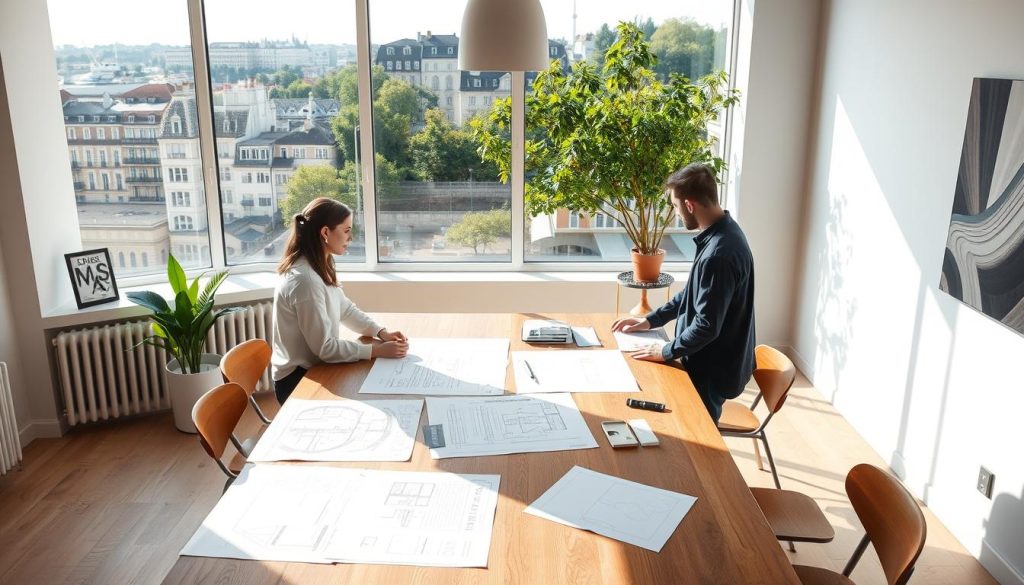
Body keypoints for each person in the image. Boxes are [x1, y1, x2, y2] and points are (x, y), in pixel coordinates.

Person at [612, 163, 755, 423]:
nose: (676, 214)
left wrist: (666, 350)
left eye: (676, 207)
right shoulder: (723, 233)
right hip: (708, 360)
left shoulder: (718, 255)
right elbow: (692, 294)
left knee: (701, 443)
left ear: (689, 205)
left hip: (711, 370)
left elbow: (706, 326)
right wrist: (651, 320)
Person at [272, 197, 408, 404]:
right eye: (346, 231)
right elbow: (326, 349)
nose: (351, 237)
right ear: (325, 232)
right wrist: (375, 350)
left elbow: (344, 309)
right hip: (298, 380)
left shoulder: (319, 263)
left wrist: (380, 332)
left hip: (316, 368)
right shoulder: (305, 281)